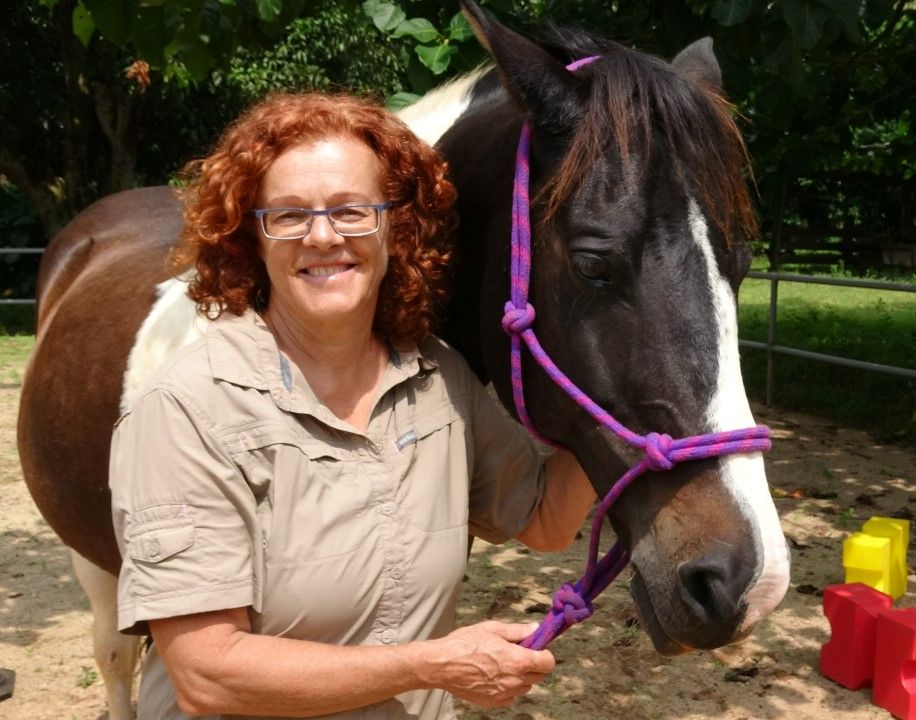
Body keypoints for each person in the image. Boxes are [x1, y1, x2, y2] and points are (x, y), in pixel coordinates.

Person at [109, 93, 597, 719]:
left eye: (351, 211)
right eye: (288, 215)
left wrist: (622, 399)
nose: (322, 236)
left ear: (397, 227)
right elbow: (208, 675)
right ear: (251, 238)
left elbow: (546, 519)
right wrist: (429, 666)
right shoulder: (186, 410)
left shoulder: (437, 379)